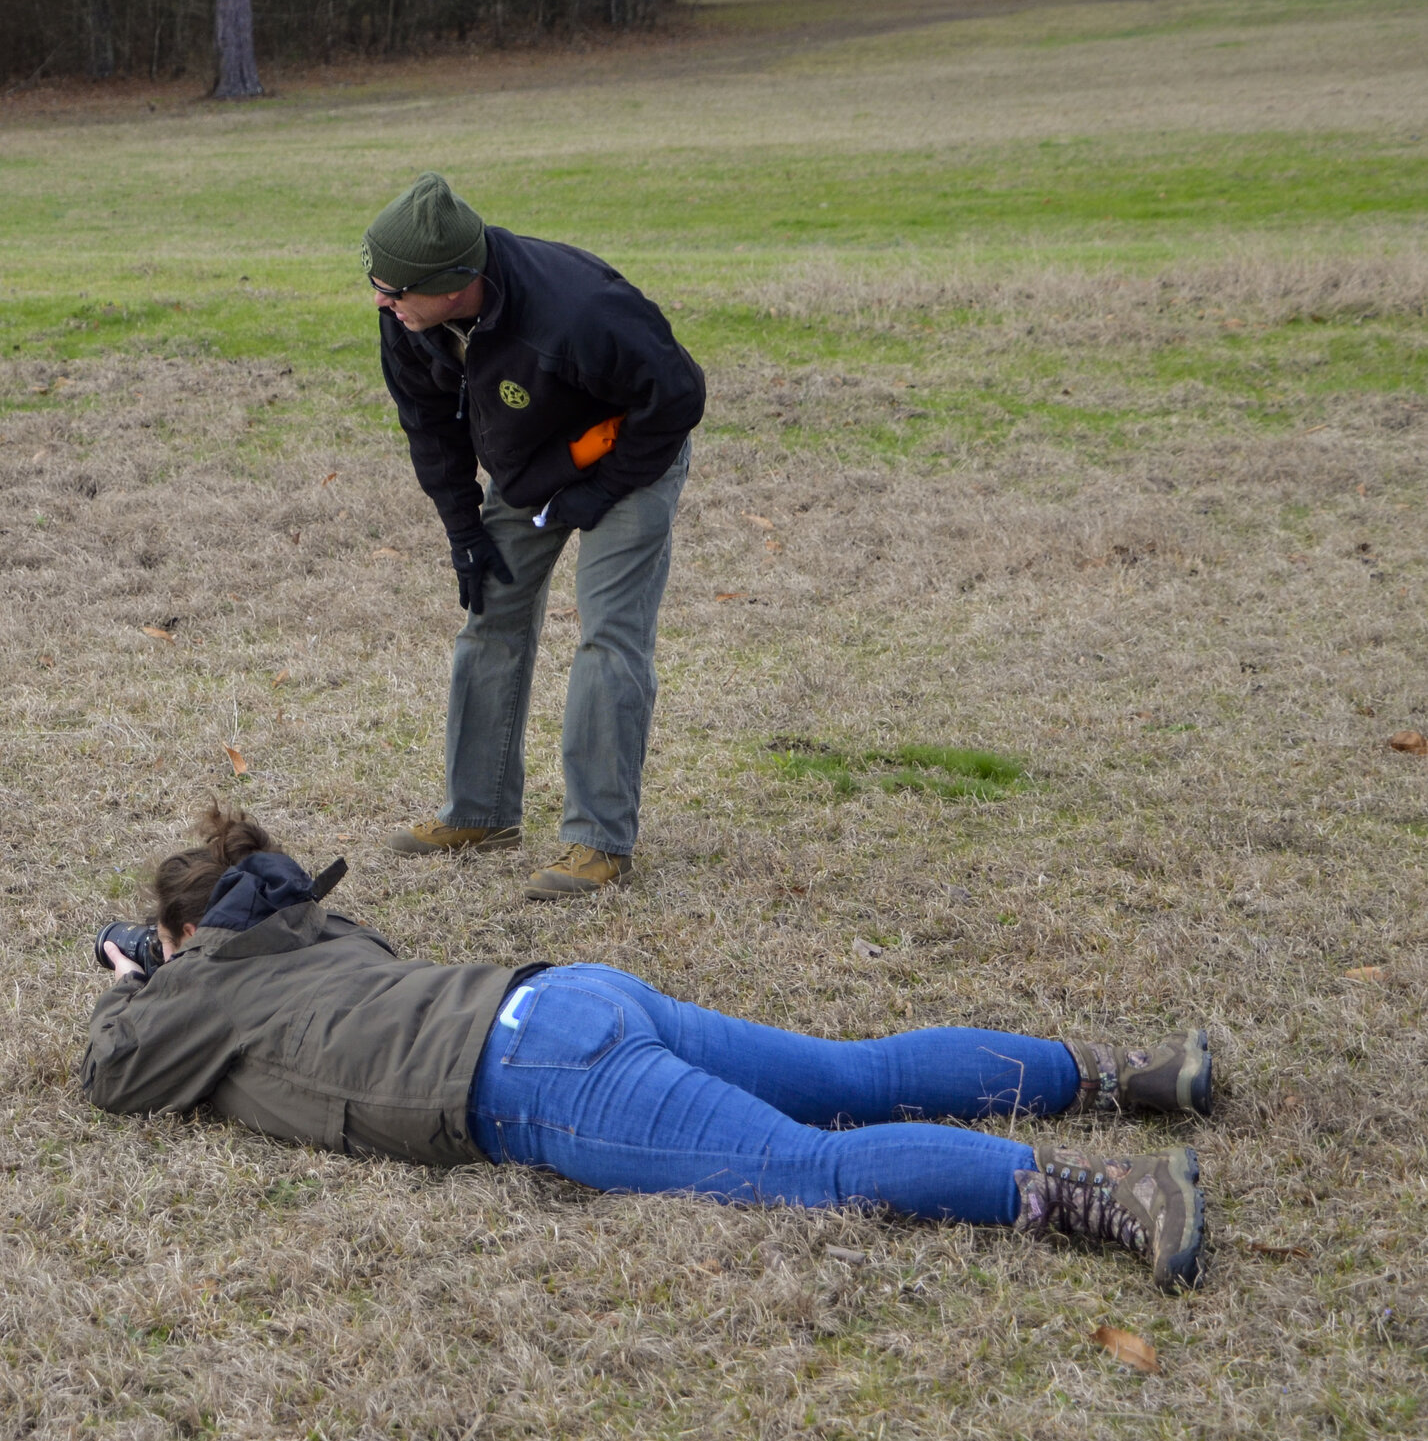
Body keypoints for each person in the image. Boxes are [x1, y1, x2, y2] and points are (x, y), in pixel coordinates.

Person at [83, 809, 1213, 1291]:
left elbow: (114, 1077)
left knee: (798, 1168)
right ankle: (1125, 1076)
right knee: (848, 1074)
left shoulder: (208, 988)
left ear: (190, 939)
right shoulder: (313, 928)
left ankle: (1103, 1193)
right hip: (569, 996)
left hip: (530, 1080)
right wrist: (178, 957)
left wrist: (141, 981)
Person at [364, 172, 707, 898]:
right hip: (529, 470)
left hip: (628, 459)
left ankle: (598, 842)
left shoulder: (579, 310)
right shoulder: (409, 316)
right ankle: (480, 812)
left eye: (396, 291)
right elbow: (429, 425)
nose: (381, 302)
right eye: (377, 284)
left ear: (459, 282)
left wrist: (598, 491)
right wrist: (464, 530)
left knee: (608, 635)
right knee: (489, 617)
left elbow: (677, 396)